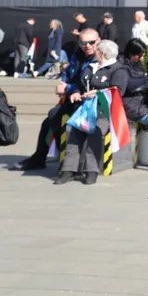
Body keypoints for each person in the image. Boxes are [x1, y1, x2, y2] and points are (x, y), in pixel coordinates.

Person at [10, 28, 100, 172]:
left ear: (99, 41)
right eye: (83, 42)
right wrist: (63, 84)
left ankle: (63, 154)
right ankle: (40, 158)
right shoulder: (77, 56)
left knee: (54, 116)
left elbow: (90, 84)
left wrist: (68, 88)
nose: (87, 46)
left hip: (91, 103)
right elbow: (69, 75)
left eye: (91, 42)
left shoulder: (100, 59)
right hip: (73, 99)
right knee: (49, 121)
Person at [57, 39, 130, 185]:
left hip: (103, 111)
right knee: (74, 136)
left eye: (96, 50)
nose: (93, 51)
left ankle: (92, 171)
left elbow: (117, 91)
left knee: (95, 135)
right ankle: (69, 170)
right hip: (85, 109)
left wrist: (98, 93)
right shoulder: (91, 67)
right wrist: (76, 92)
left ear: (102, 53)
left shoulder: (118, 69)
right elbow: (80, 84)